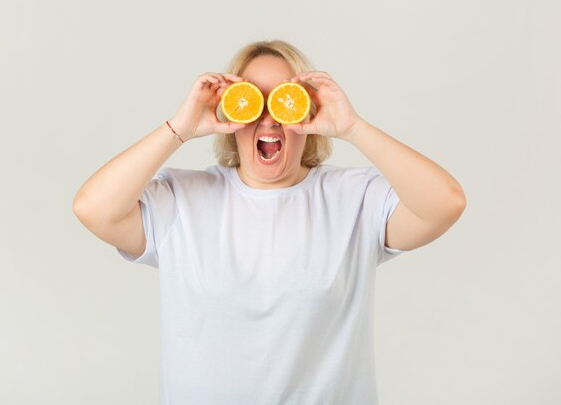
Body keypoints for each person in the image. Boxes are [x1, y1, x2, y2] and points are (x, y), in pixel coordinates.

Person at [73, 39, 466, 404]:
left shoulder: (355, 200)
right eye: (251, 100)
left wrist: (352, 127)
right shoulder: (181, 201)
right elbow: (93, 208)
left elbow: (445, 203)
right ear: (230, 111)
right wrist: (179, 128)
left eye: (283, 100)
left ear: (306, 111)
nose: (268, 118)